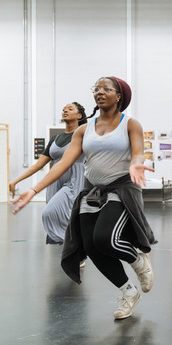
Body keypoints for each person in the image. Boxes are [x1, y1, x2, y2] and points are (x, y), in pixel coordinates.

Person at [13, 76, 155, 320]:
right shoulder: (83, 129)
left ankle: (137, 260)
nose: (100, 92)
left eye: (106, 89)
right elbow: (62, 164)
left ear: (119, 96)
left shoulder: (130, 124)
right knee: (90, 246)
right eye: (96, 89)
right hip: (91, 190)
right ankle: (128, 291)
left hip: (121, 189)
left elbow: (138, 152)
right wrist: (33, 190)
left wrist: (136, 164)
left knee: (104, 239)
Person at [9, 102, 87, 245]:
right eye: (63, 109)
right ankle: (71, 250)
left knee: (51, 212)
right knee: (61, 216)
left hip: (75, 179)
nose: (65, 111)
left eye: (70, 109)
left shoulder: (84, 135)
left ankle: (75, 246)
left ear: (79, 115)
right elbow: (39, 165)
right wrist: (16, 181)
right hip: (55, 180)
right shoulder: (55, 139)